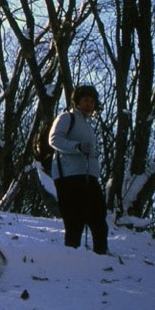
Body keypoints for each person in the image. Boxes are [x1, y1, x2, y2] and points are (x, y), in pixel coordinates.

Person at [49, 84, 108, 254]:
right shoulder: (67, 118)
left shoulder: (88, 126)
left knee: (98, 217)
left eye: (92, 101)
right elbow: (54, 140)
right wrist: (77, 147)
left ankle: (101, 255)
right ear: (77, 101)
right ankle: (71, 256)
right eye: (85, 100)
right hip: (68, 176)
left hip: (89, 176)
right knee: (74, 220)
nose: (89, 104)